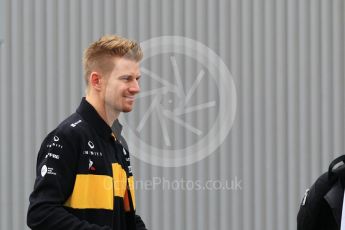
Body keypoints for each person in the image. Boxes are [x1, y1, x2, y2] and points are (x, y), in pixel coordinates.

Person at [27, 35, 147, 230]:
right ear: (97, 81)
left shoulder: (118, 142)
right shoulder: (68, 136)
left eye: (137, 79)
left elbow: (128, 218)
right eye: (126, 79)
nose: (136, 88)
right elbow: (41, 213)